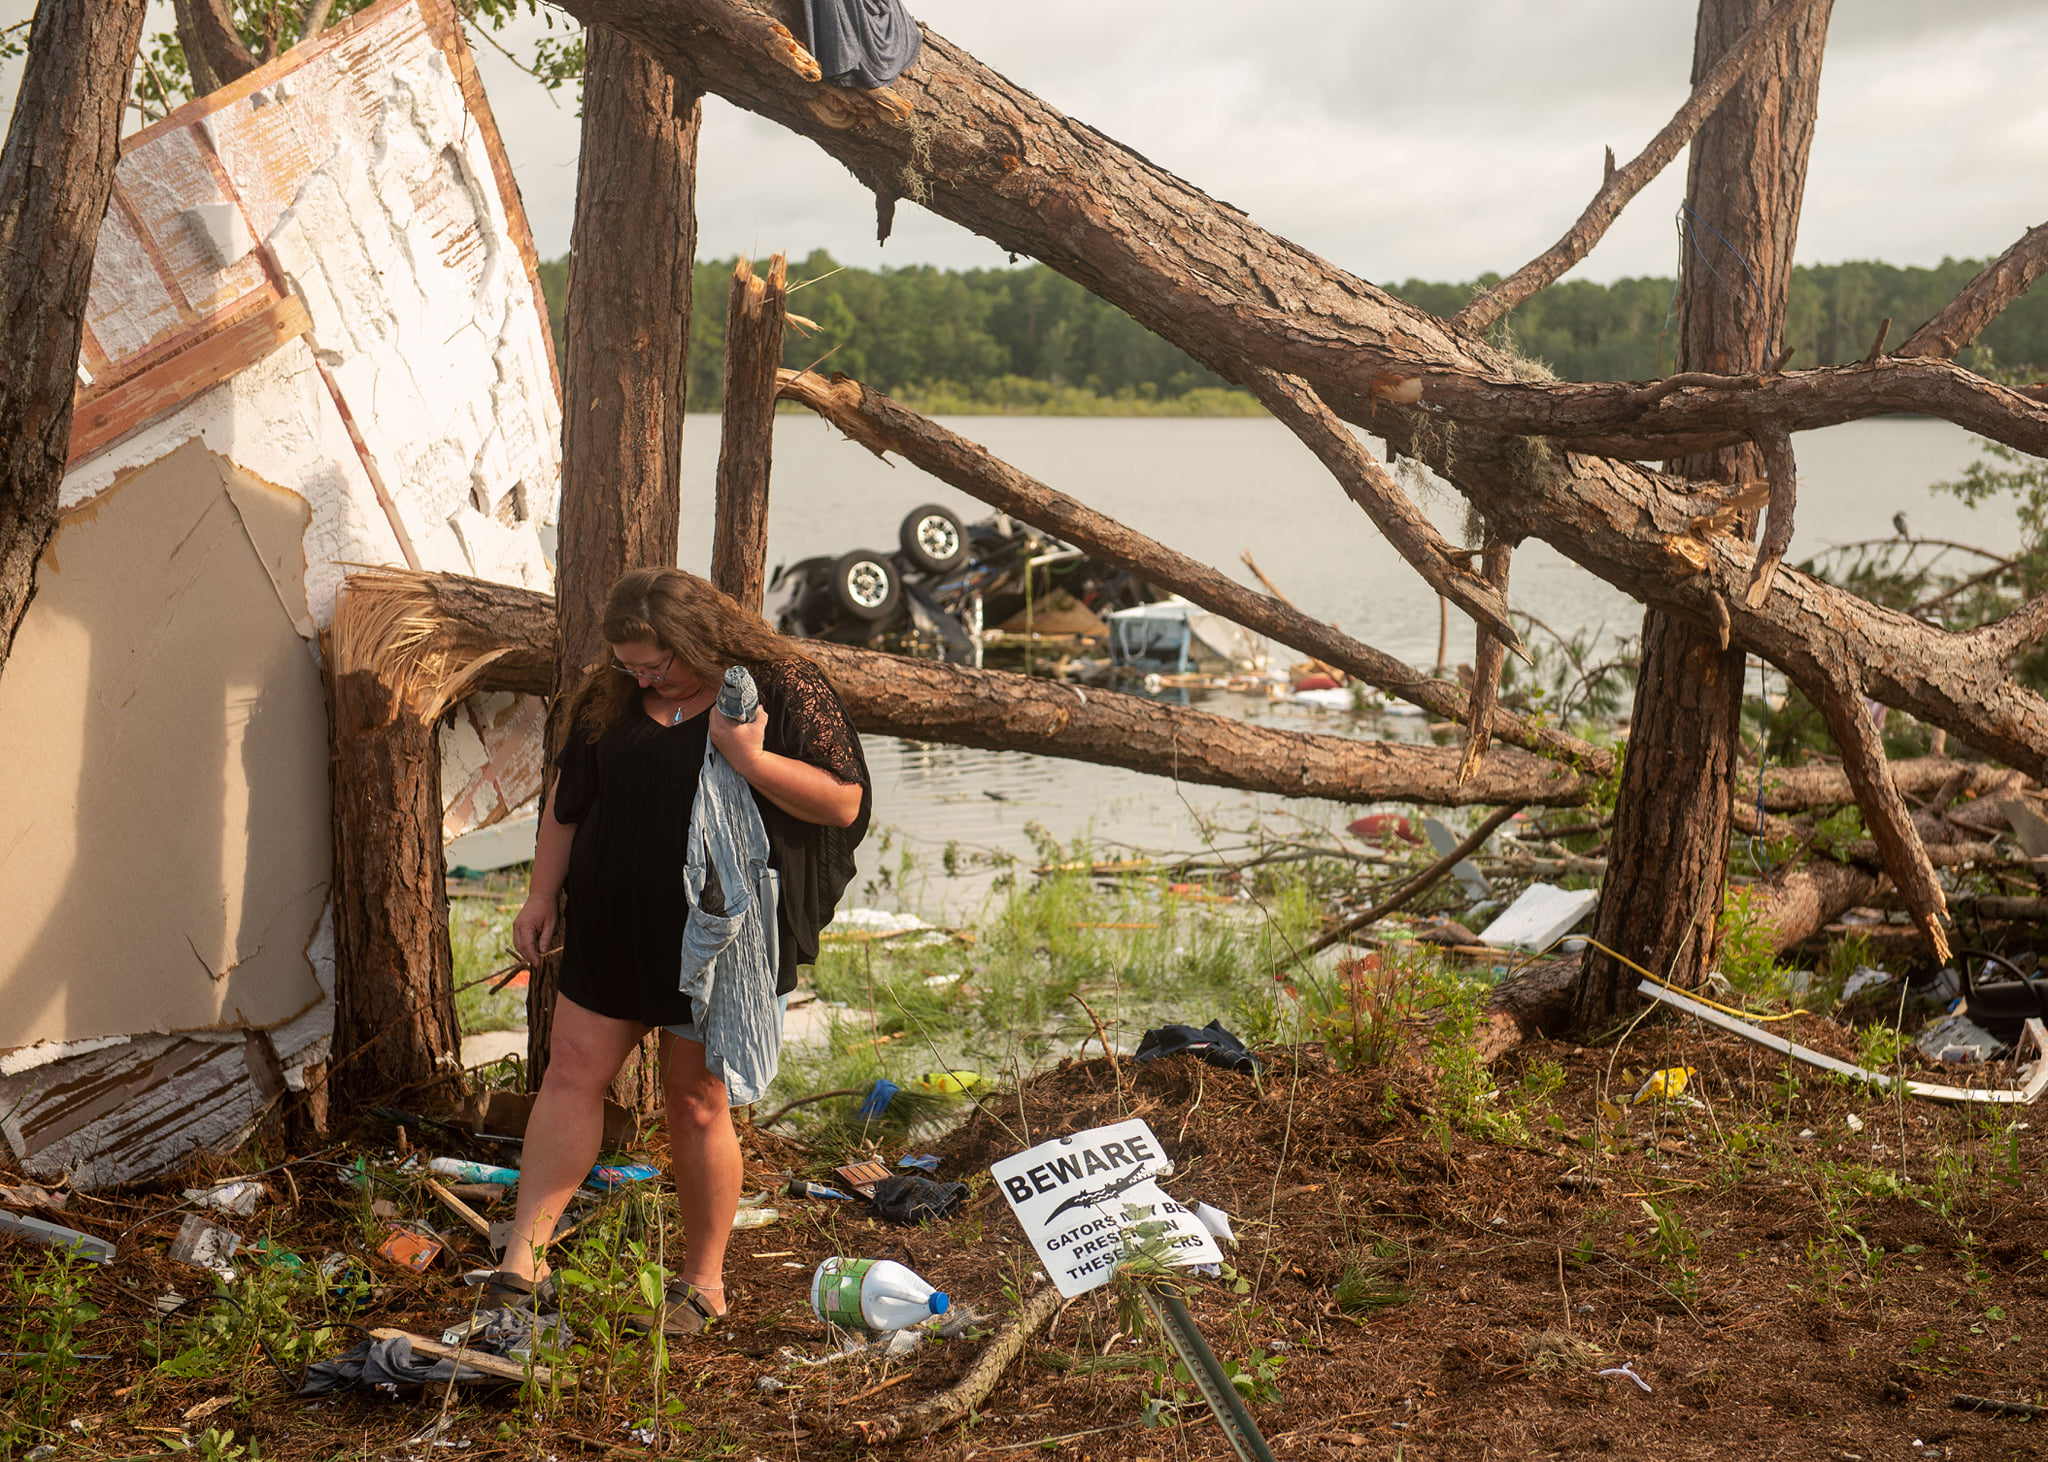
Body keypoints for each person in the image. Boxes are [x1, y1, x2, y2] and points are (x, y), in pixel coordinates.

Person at [500, 567, 870, 1332]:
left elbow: (842, 801)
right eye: (630, 662)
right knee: (570, 1072)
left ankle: (703, 1284)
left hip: (718, 938)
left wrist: (750, 758)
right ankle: (521, 1266)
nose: (641, 676)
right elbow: (568, 807)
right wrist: (541, 898)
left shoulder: (778, 686)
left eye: (656, 663)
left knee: (697, 1105)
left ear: (699, 638)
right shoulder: (609, 697)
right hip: (611, 920)